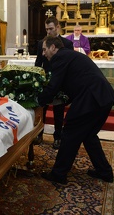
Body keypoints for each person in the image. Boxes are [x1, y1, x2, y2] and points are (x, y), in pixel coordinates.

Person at [39, 35, 114, 184]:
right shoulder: (69, 55)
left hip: (92, 99)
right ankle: (104, 171)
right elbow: (73, 82)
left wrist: (39, 101)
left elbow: (54, 85)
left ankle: (58, 174)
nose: (43, 54)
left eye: (44, 49)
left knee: (69, 134)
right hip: (103, 97)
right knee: (88, 136)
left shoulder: (59, 57)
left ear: (53, 47)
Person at [35, 16, 73, 149]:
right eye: (46, 29)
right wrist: (38, 80)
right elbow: (38, 63)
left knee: (58, 111)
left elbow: (69, 64)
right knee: (42, 109)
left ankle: (57, 137)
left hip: (60, 81)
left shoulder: (66, 44)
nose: (48, 32)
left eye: (51, 29)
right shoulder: (41, 43)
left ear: (57, 27)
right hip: (45, 81)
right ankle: (39, 134)